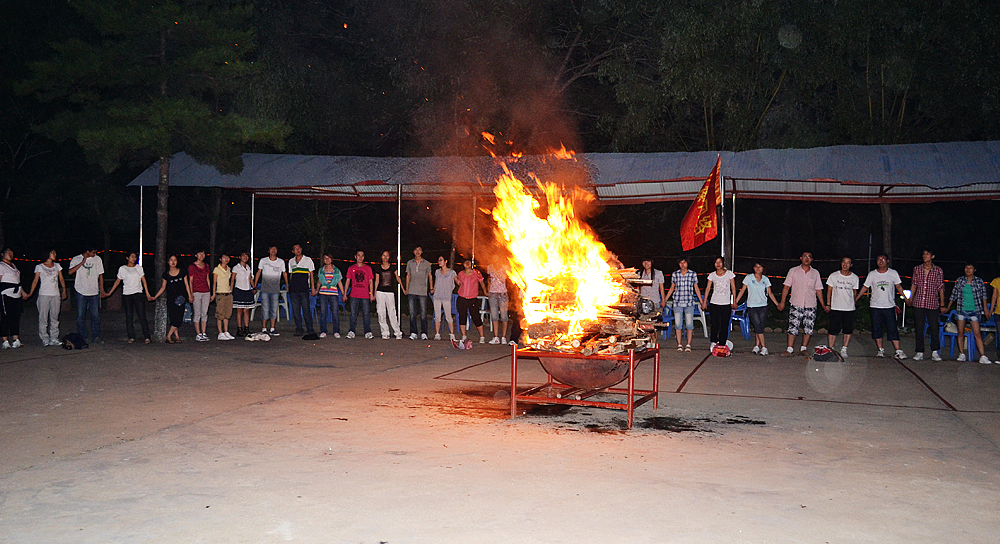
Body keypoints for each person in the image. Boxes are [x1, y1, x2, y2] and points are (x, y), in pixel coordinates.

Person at [855, 254, 907, 359]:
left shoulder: (893, 273)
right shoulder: (872, 274)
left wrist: (906, 298)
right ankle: (880, 350)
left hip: (889, 305)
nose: (880, 261)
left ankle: (898, 350)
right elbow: (865, 287)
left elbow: (898, 286)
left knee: (892, 328)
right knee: (877, 328)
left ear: (887, 261)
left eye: (883, 259)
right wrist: (856, 298)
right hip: (875, 306)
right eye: (878, 259)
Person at [778, 252, 827, 357]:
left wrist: (823, 304)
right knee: (793, 326)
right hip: (796, 303)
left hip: (811, 304)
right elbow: (786, 287)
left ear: (812, 259)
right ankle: (789, 349)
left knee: (808, 327)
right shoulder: (793, 271)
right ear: (801, 258)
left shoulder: (815, 273)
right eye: (805, 256)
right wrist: (782, 302)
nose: (807, 258)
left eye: (809, 257)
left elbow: (818, 289)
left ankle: (804, 348)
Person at [944, 264, 991, 364]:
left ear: (974, 270)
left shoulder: (979, 281)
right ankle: (962, 354)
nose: (968, 270)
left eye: (970, 268)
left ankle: (982, 356)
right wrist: (948, 307)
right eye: (966, 268)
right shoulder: (960, 280)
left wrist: (985, 310)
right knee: (960, 332)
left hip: (974, 310)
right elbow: (954, 295)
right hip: (961, 310)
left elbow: (984, 296)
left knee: (977, 333)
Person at [103, 251, 152, 343]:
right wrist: (110, 293)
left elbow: (144, 280)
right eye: (132, 257)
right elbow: (118, 281)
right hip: (127, 294)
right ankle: (131, 336)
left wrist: (147, 293)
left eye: (135, 257)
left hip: (138, 293)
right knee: (129, 316)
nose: (134, 258)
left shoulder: (138, 268)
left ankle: (147, 337)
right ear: (127, 258)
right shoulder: (123, 269)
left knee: (141, 315)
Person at [735, 262, 780, 355]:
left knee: (759, 326)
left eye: (760, 267)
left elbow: (770, 293)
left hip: (763, 305)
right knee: (757, 324)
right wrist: (736, 302)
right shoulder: (749, 278)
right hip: (752, 305)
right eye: (756, 266)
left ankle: (756, 346)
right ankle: (764, 347)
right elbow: (742, 290)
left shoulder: (765, 279)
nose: (758, 268)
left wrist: (777, 304)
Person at [25, 249, 67, 346]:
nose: (55, 254)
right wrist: (30, 293)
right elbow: (35, 281)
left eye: (55, 252)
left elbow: (61, 279)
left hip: (55, 294)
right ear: (47, 254)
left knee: (54, 317)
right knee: (43, 318)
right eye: (53, 253)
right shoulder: (39, 267)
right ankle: (44, 338)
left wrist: (64, 290)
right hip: (44, 294)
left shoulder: (57, 266)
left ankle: (54, 337)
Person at [909, 249, 945, 361]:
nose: (925, 256)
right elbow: (914, 284)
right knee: (919, 328)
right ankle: (919, 351)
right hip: (919, 302)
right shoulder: (917, 269)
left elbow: (940, 287)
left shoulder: (938, 270)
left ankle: (935, 351)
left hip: (932, 303)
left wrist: (942, 304)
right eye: (924, 254)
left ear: (932, 256)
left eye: (927, 254)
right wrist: (910, 298)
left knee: (934, 328)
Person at [150, 255, 192, 344]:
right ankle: (176, 336)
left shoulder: (182, 272)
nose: (173, 262)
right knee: (173, 318)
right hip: (171, 299)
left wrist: (190, 295)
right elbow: (163, 287)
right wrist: (155, 297)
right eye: (171, 260)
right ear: (168, 262)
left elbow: (186, 285)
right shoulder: (166, 275)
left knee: (179, 318)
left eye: (175, 260)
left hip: (181, 299)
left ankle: (168, 335)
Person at [663, 257, 702, 352]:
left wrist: (702, 301)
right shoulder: (675, 274)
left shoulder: (692, 274)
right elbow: (672, 288)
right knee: (678, 324)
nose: (683, 264)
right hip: (677, 302)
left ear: (687, 263)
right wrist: (665, 299)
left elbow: (696, 288)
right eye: (681, 262)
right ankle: (679, 344)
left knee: (689, 324)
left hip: (689, 302)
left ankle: (688, 344)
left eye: (684, 262)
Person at [68, 246, 106, 343]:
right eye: (93, 252)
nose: (94, 254)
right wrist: (82, 262)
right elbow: (70, 271)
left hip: (94, 291)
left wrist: (102, 289)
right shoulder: (76, 258)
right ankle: (82, 336)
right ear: (87, 251)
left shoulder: (97, 259)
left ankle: (96, 336)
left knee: (95, 316)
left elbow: (100, 275)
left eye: (95, 252)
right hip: (81, 291)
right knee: (81, 316)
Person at [825, 257, 859, 358]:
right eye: (844, 262)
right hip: (836, 307)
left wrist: (854, 302)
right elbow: (829, 291)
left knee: (848, 330)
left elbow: (854, 292)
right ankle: (831, 349)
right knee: (833, 330)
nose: (845, 264)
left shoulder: (855, 277)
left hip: (849, 308)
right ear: (841, 263)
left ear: (851, 265)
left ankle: (844, 349)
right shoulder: (833, 276)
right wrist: (828, 304)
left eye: (848, 263)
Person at [701, 256, 737, 351]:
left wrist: (734, 301)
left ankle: (722, 343)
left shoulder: (729, 274)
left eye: (720, 262)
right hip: (714, 302)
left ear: (723, 263)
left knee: (724, 324)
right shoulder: (712, 275)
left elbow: (733, 288)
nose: (718, 264)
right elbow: (708, 288)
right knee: (714, 323)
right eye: (716, 262)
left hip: (726, 303)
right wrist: (704, 302)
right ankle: (713, 341)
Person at [254, 246, 287, 336]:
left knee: (274, 309)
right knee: (265, 309)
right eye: (271, 249)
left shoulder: (281, 262)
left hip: (275, 290)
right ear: (268, 251)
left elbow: (284, 273)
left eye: (275, 249)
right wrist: (255, 284)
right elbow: (258, 272)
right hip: (265, 289)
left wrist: (287, 284)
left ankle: (272, 328)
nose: (273, 251)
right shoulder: (263, 260)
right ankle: (264, 328)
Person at [344, 250, 374, 339]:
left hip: (365, 295)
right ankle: (352, 331)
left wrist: (371, 294)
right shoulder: (351, 268)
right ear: (355, 257)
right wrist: (345, 294)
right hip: (354, 295)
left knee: (366, 314)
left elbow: (371, 281)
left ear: (364, 257)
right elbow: (348, 281)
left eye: (362, 256)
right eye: (358, 255)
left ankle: (367, 331)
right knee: (353, 314)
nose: (360, 257)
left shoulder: (368, 268)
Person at [374, 250, 404, 340]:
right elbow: (377, 281)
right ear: (381, 257)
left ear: (389, 257)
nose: (385, 257)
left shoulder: (393, 267)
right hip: (380, 292)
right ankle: (385, 332)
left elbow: (398, 278)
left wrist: (403, 289)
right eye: (383, 255)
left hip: (390, 292)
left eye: (387, 256)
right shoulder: (378, 268)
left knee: (392, 312)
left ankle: (397, 332)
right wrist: (374, 293)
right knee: (381, 312)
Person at [287, 244, 316, 337]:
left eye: (299, 248)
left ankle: (310, 329)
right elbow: (291, 275)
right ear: (293, 251)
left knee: (306, 310)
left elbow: (311, 275)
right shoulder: (291, 261)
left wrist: (313, 288)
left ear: (301, 249)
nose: (297, 250)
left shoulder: (308, 260)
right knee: (296, 311)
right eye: (295, 249)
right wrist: (289, 286)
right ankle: (299, 329)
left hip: (304, 289)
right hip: (294, 290)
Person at [456, 259, 488, 343]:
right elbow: (460, 284)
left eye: (469, 262)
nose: (467, 263)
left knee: (476, 317)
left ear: (471, 264)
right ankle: (464, 336)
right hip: (462, 298)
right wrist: (455, 280)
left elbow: (481, 282)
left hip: (472, 298)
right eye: (465, 262)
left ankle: (482, 337)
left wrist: (485, 292)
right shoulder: (461, 274)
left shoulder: (476, 273)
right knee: (462, 316)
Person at [405, 246, 433, 340]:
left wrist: (431, 287)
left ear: (422, 251)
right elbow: (408, 275)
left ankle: (424, 332)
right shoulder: (410, 263)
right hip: (412, 290)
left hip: (422, 291)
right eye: (415, 250)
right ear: (413, 252)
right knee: (412, 313)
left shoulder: (427, 263)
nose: (417, 252)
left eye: (419, 250)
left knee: (423, 313)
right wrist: (407, 288)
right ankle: (413, 332)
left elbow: (430, 276)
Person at [315, 253, 344, 338]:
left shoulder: (336, 270)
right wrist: (316, 290)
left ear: (331, 259)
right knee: (323, 312)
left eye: (329, 258)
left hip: (333, 294)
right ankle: (323, 331)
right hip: (323, 293)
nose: (327, 260)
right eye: (325, 258)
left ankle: (336, 331)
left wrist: (343, 294)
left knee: (335, 312)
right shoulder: (321, 270)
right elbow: (319, 282)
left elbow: (339, 282)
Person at [0, 248, 24, 349]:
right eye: (8, 252)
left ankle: (15, 339)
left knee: (15, 317)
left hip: (16, 295)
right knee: (5, 317)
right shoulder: (1, 266)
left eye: (12, 252)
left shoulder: (14, 266)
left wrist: (23, 293)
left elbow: (17, 281)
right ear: (2, 254)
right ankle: (5, 340)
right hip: (6, 295)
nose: (11, 254)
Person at [431, 256, 458, 341]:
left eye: (441, 260)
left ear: (445, 261)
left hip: (446, 297)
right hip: (437, 296)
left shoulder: (452, 272)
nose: (439, 262)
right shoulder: (437, 272)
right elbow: (436, 283)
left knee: (448, 316)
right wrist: (433, 289)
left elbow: (457, 282)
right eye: (438, 260)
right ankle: (437, 334)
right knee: (437, 316)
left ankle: (452, 334)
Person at [187, 250, 212, 341]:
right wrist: (190, 294)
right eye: (200, 254)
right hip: (196, 291)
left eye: (203, 253)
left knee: (204, 313)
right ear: (196, 255)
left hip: (206, 291)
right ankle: (198, 333)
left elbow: (207, 279)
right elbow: (190, 281)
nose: (202, 255)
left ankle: (203, 333)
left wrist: (210, 291)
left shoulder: (206, 266)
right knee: (197, 312)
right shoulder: (192, 266)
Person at [486, 259, 512, 344]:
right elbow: (489, 279)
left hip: (502, 294)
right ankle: (496, 337)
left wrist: (508, 291)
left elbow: (510, 279)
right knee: (494, 316)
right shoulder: (490, 267)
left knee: (504, 316)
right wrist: (488, 289)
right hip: (492, 293)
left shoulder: (505, 267)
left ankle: (503, 337)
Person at [230, 252, 255, 337]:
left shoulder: (248, 267)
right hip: (239, 290)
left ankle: (246, 328)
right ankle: (239, 329)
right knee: (239, 310)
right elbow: (232, 279)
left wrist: (254, 287)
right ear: (240, 257)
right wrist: (231, 290)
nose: (245, 257)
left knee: (247, 310)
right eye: (243, 256)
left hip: (248, 290)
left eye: (247, 256)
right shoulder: (236, 267)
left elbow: (250, 278)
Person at [213, 254, 235, 340]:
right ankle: (220, 332)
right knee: (220, 314)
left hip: (228, 293)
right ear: (220, 259)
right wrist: (213, 294)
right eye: (224, 257)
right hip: (220, 293)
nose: (226, 259)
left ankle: (226, 331)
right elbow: (214, 283)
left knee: (227, 314)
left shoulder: (229, 269)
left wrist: (231, 290)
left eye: (227, 257)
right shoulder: (217, 269)